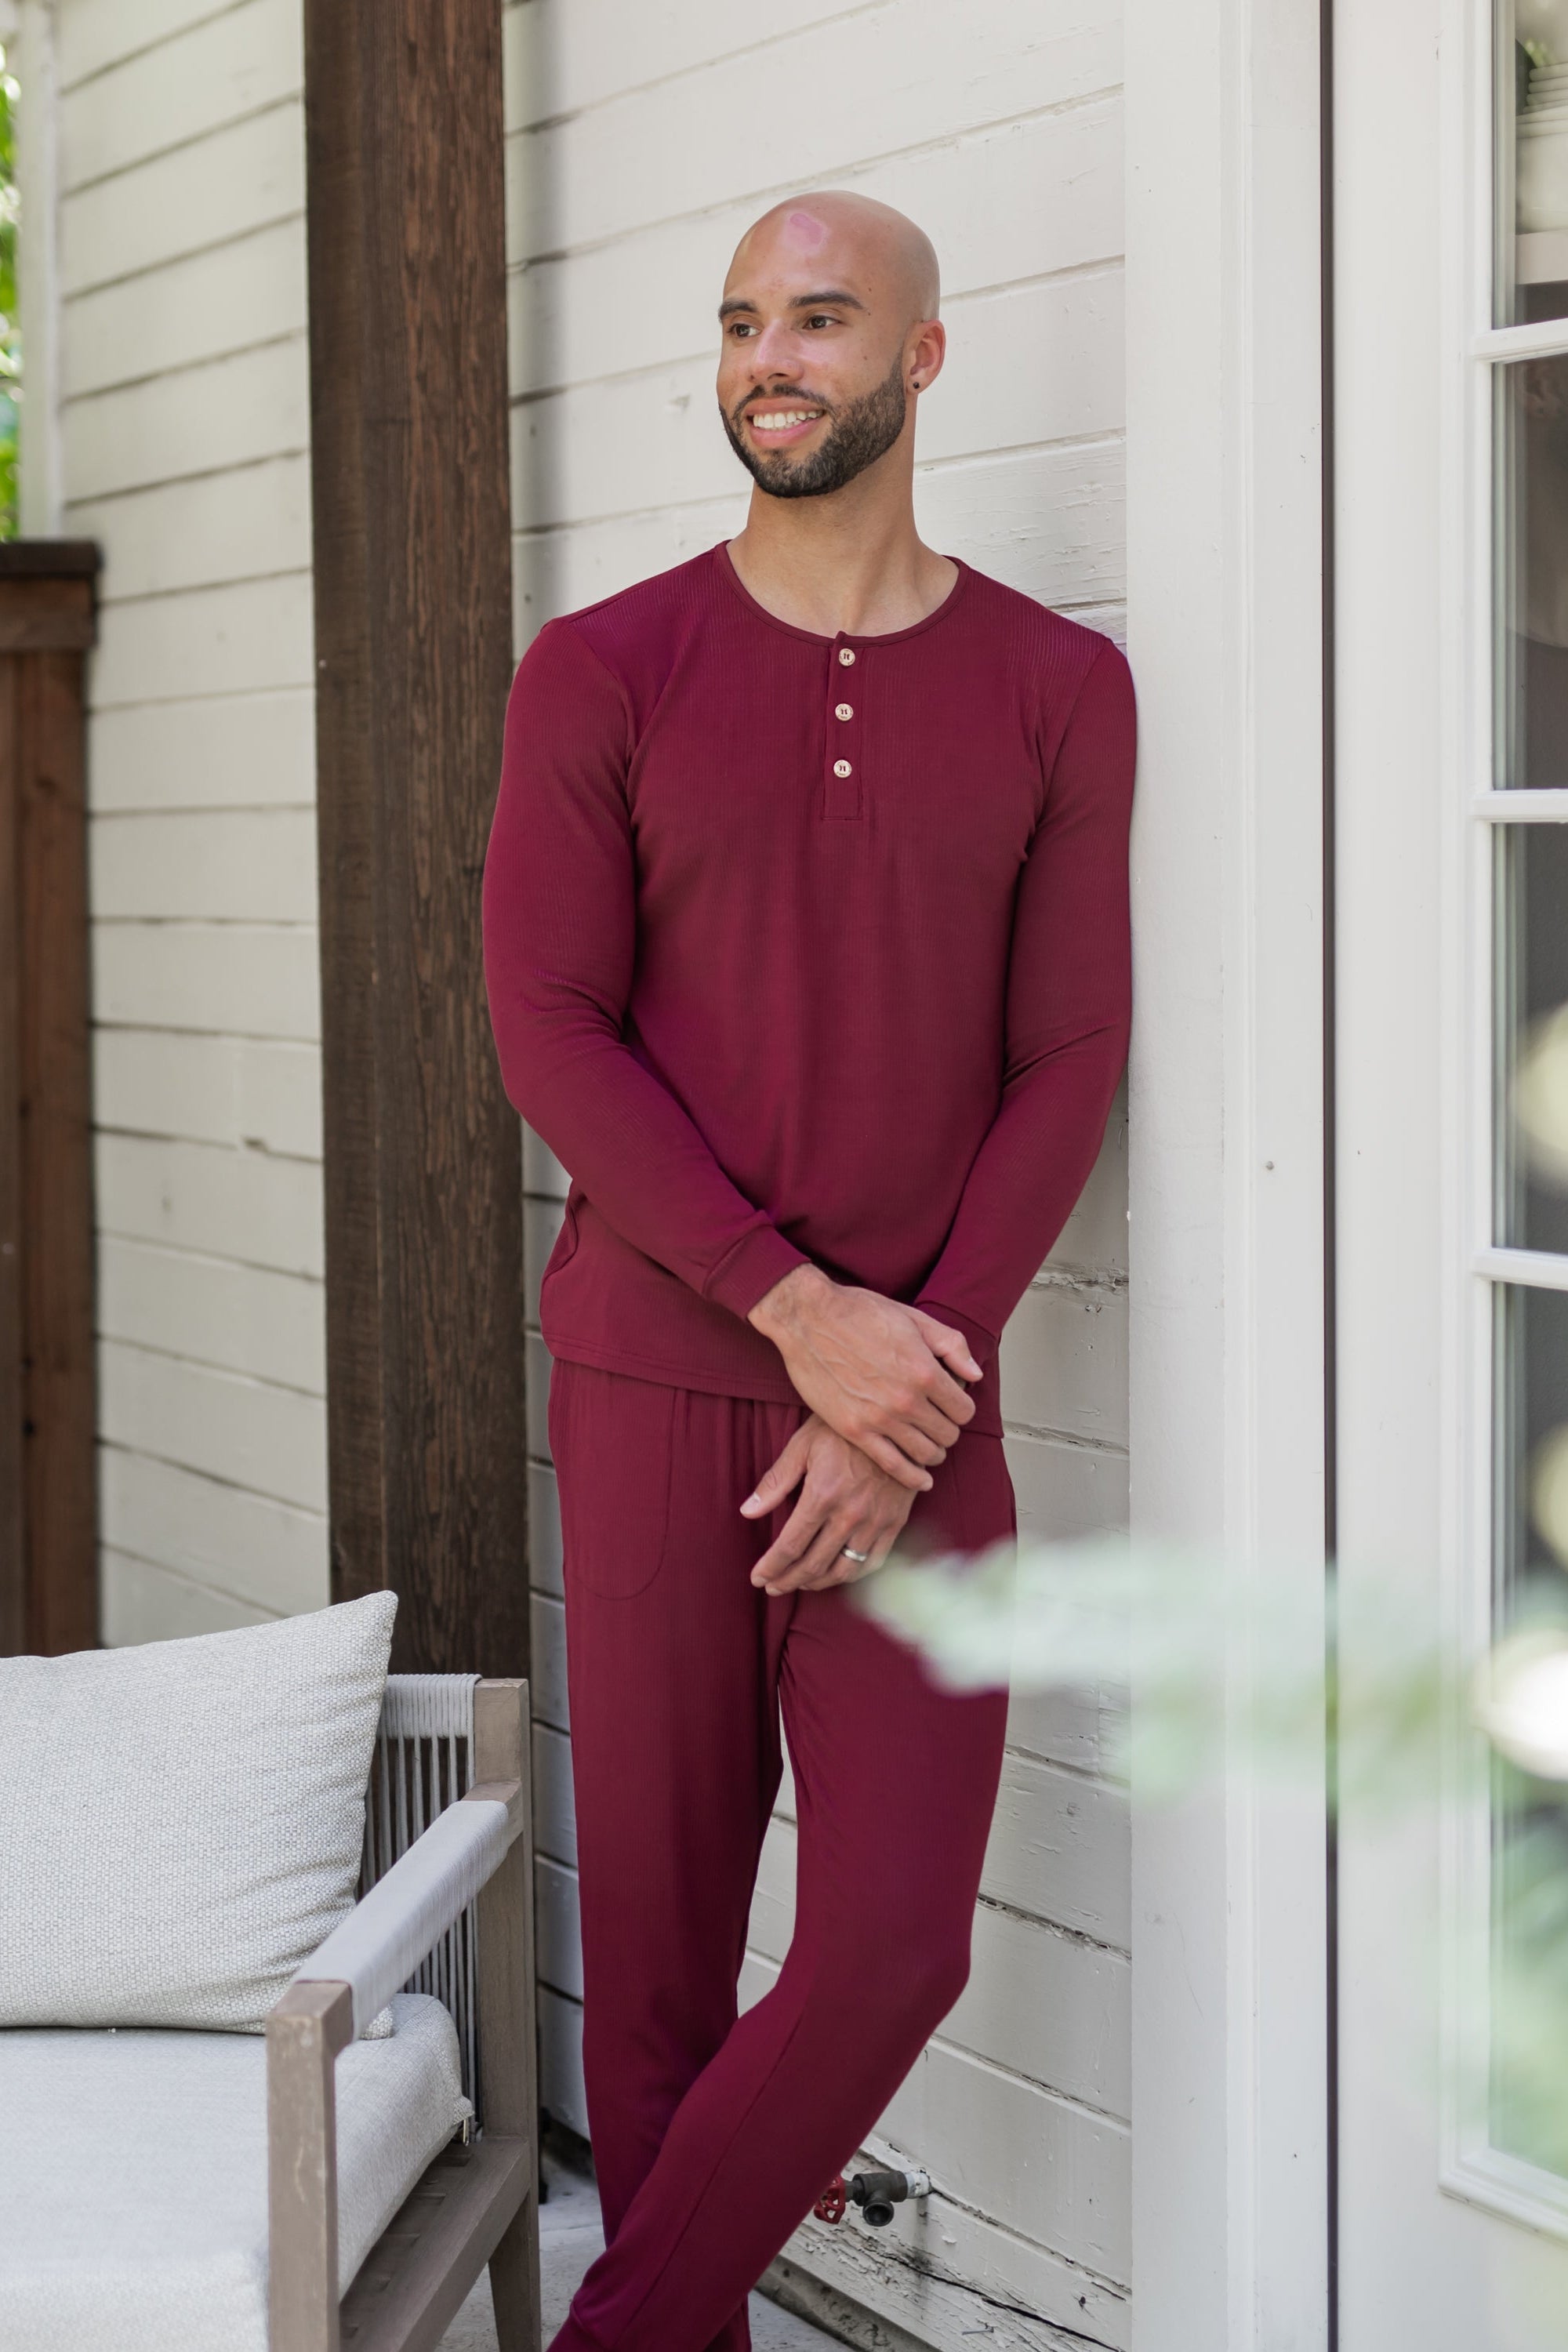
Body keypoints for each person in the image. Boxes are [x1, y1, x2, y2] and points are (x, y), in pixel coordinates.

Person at [481, 189, 1135, 2352]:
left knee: (887, 1948)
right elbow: (546, 1025)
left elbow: (1068, 1055)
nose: (774, 359)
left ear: (923, 359)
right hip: (661, 1383)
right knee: (659, 1963)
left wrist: (907, 1376)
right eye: (747, 324)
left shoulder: (1059, 684)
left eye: (825, 321)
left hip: (924, 1406)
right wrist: (795, 1315)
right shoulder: (603, 671)